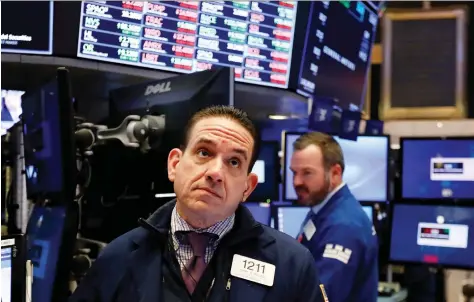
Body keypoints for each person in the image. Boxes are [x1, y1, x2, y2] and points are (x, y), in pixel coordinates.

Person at [70, 106, 328, 302]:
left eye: (234, 162)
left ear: (247, 187)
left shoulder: (292, 265)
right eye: (204, 152)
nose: (216, 172)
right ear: (174, 165)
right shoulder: (118, 258)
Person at [290, 132, 378, 302]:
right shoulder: (322, 207)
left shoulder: (344, 226)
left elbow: (322, 297)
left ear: (335, 173)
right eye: (294, 172)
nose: (296, 182)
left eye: (307, 173)